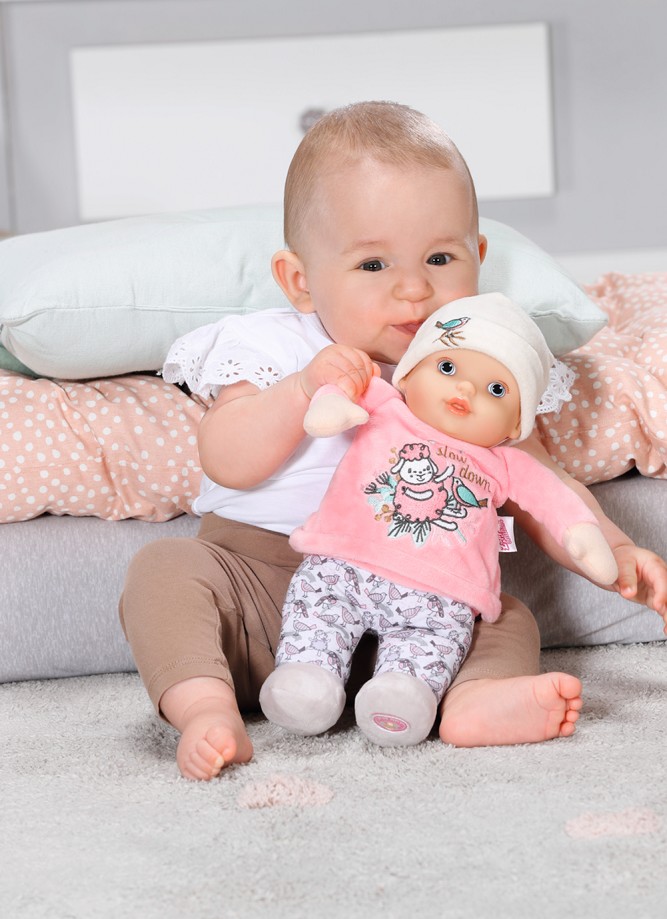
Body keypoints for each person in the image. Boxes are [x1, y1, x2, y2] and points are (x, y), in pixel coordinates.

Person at [119, 101, 667, 781]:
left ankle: (471, 701)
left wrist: (616, 551)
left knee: (504, 618)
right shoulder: (272, 345)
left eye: (440, 257)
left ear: (477, 259)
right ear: (299, 281)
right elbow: (225, 456)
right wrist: (300, 391)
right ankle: (205, 706)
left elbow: (543, 488)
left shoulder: (477, 370)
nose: (413, 289)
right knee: (166, 571)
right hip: (260, 589)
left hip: (425, 613)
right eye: (373, 264)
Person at [259, 293, 618, 747]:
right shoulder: (387, 406)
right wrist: (331, 406)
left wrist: (583, 536)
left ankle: (402, 698)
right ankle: (306, 681)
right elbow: (340, 388)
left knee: (431, 647)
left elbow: (554, 499)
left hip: (439, 598)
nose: (464, 390)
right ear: (408, 374)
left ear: (515, 426)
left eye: (496, 390)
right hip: (342, 565)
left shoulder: (504, 464)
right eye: (447, 368)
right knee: (318, 612)